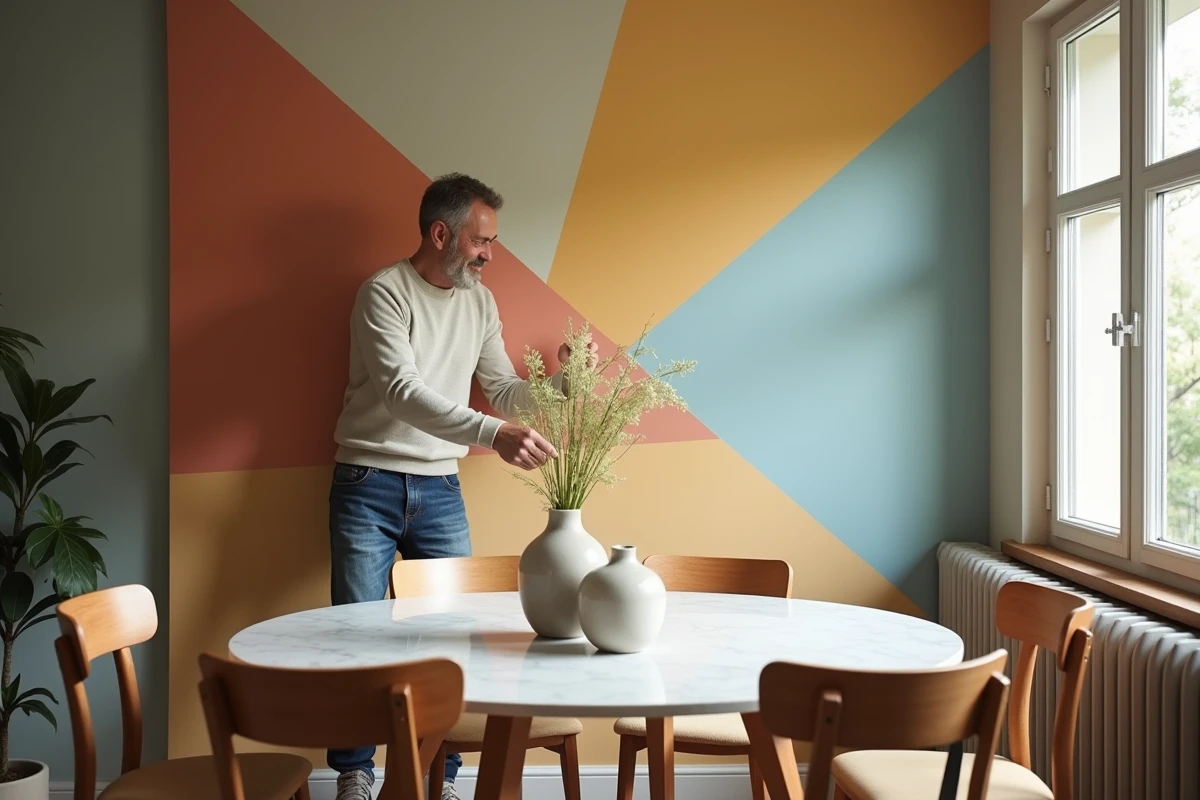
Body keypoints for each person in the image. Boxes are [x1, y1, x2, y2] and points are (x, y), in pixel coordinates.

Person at [327, 173, 596, 800]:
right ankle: (354, 774)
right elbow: (401, 393)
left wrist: (564, 385)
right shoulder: (383, 293)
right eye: (481, 242)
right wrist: (491, 434)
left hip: (441, 486)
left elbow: (502, 390)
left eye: (492, 243)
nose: (489, 255)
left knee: (452, 635)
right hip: (366, 479)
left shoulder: (480, 303)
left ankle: (441, 772)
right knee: (356, 634)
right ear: (440, 233)